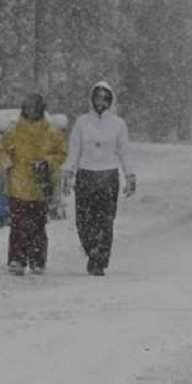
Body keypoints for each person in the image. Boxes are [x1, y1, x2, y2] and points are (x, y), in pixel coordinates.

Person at [61, 81, 136, 276]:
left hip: (108, 175)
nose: (101, 101)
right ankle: (91, 249)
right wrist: (68, 173)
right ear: (92, 99)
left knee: (105, 221)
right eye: (97, 97)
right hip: (86, 175)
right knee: (83, 221)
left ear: (110, 100)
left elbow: (125, 152)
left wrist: (130, 175)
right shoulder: (81, 122)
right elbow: (74, 151)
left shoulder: (119, 124)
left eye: (105, 98)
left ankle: (100, 258)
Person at [0, 93, 68, 275]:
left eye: (34, 108)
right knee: (18, 226)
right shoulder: (13, 131)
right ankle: (17, 260)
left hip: (40, 186)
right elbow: (3, 150)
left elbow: (62, 153)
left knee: (38, 226)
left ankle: (37, 261)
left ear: (40, 109)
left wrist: (47, 162)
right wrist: (7, 163)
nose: (30, 111)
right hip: (18, 186)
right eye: (27, 108)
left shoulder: (52, 132)